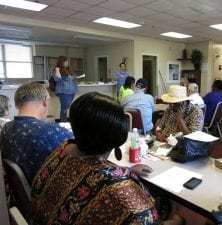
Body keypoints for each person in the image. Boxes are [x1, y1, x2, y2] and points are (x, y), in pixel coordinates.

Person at [31, 92, 184, 225]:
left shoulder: (62, 150)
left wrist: (126, 170)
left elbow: (90, 171)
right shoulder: (123, 196)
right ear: (118, 138)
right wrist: (178, 220)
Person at [0, 82, 73, 184]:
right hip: (47, 193)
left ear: (17, 104)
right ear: (45, 101)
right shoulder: (52, 132)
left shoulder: (6, 129)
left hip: (22, 193)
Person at [51, 56, 78, 122]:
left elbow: (71, 79)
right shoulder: (56, 70)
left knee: (65, 108)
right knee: (64, 108)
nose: (67, 63)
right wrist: (57, 70)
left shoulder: (69, 70)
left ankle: (64, 121)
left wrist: (75, 78)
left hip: (71, 91)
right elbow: (57, 79)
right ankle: (63, 122)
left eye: (67, 61)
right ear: (62, 62)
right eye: (66, 61)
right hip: (63, 92)